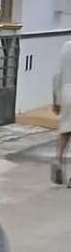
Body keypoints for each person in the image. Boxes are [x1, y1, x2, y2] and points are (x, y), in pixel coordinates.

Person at [52, 39, 71, 186]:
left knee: (65, 129)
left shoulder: (66, 46)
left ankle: (58, 159)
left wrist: (56, 100)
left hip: (66, 91)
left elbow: (57, 75)